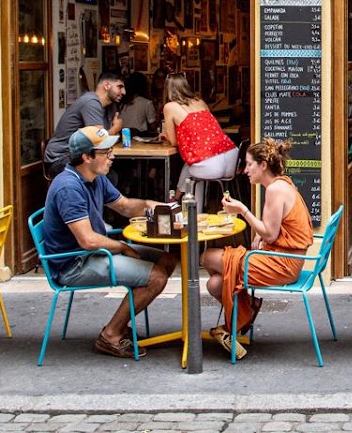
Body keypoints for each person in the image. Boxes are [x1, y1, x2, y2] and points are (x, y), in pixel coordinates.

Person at [39, 125, 177, 358]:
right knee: (157, 277)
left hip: (92, 252)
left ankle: (122, 322)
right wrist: (123, 248)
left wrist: (150, 206)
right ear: (86, 157)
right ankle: (111, 334)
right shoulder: (68, 187)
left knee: (167, 260)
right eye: (106, 152)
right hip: (74, 263)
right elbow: (88, 240)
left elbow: (124, 206)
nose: (112, 156)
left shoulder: (95, 178)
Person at [199, 138, 314, 359]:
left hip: (282, 264)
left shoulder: (274, 190)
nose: (245, 170)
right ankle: (247, 309)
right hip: (285, 258)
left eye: (249, 164)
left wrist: (243, 211)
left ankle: (245, 312)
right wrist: (260, 235)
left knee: (206, 257)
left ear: (263, 165)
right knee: (215, 284)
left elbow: (270, 233)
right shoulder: (282, 184)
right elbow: (275, 227)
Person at [161, 72, 238, 203]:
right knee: (191, 166)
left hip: (210, 164)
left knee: (194, 168)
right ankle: (177, 197)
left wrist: (165, 136)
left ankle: (181, 203)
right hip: (231, 158)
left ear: (167, 89)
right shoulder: (200, 101)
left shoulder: (170, 107)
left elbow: (173, 142)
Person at [43, 72, 125, 176]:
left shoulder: (108, 107)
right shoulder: (91, 102)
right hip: (60, 158)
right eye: (120, 87)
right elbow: (99, 140)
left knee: (120, 170)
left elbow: (106, 140)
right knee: (108, 176)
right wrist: (116, 128)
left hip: (80, 156)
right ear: (106, 85)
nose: (124, 92)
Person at [119, 72, 158, 138]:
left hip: (123, 137)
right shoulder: (147, 103)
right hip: (140, 138)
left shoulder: (122, 103)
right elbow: (153, 126)